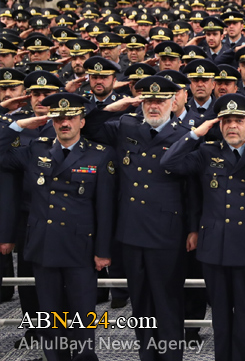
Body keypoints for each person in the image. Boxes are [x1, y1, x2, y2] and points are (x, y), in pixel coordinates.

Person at [80, 75, 196, 361]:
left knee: (167, 301)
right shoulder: (126, 126)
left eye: (159, 101)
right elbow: (91, 128)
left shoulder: (186, 133)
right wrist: (114, 107)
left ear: (173, 102)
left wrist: (193, 228)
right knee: (141, 303)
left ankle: (170, 356)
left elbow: (194, 190)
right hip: (131, 229)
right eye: (148, 101)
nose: (153, 106)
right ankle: (147, 355)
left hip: (168, 232)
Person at [160, 94, 245, 361]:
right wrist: (197, 133)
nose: (232, 126)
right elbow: (169, 163)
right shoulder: (206, 152)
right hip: (215, 246)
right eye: (226, 121)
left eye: (238, 120)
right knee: (221, 315)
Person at [0, 92, 114, 361]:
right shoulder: (36, 149)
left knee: (82, 315)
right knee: (49, 316)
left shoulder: (100, 155)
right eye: (59, 118)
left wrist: (103, 250)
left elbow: (106, 209)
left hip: (80, 248)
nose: (65, 123)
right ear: (51, 121)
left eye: (71, 118)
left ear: (81, 122)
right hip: (45, 245)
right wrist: (17, 126)